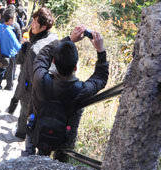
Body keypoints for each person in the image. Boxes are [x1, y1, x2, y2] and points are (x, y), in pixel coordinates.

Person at [28, 26, 109, 158]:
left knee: (40, 156)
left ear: (53, 61)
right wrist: (101, 51)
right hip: (64, 138)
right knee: (62, 159)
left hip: (40, 132)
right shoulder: (80, 90)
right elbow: (100, 79)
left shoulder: (40, 79)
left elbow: (42, 56)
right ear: (76, 67)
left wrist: (69, 39)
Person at [12, 7, 57, 139]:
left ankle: (21, 134)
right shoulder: (53, 38)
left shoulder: (34, 49)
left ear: (43, 27)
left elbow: (21, 63)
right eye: (33, 19)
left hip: (30, 88)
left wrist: (24, 48)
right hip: (44, 89)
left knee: (24, 111)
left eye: (36, 21)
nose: (32, 23)